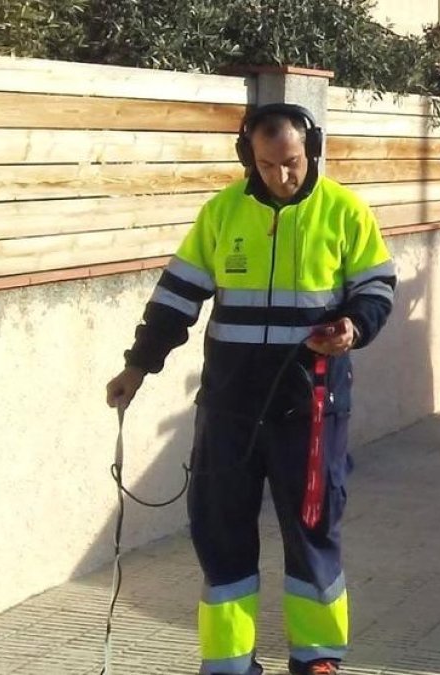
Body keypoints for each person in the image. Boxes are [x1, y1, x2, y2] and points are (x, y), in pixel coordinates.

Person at [105, 102, 396, 675]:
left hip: (310, 407)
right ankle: (229, 663)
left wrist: (353, 327)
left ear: (310, 150)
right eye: (266, 165)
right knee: (219, 531)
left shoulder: (344, 212)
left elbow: (378, 288)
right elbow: (175, 300)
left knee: (312, 530)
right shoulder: (221, 214)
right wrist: (138, 366)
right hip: (230, 408)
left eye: (290, 162)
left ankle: (317, 657)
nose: (281, 176)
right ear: (248, 157)